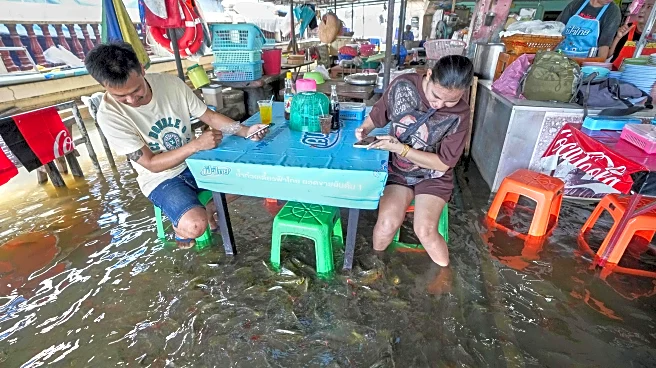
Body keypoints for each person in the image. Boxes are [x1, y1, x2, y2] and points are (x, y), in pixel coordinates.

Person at [84, 42, 268, 248]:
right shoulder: (109, 116)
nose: (132, 100)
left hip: (194, 163)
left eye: (137, 90)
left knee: (252, 179)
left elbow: (208, 116)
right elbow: (152, 164)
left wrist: (245, 131)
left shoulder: (171, 85)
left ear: (142, 70)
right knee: (195, 227)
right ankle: (183, 227)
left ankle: (207, 209)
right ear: (104, 85)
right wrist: (196, 145)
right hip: (161, 179)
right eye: (121, 96)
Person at [355, 55, 473, 267]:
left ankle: (445, 280)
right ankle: (377, 268)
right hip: (399, 171)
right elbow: (379, 113)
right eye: (436, 96)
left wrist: (401, 149)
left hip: (433, 175)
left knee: (424, 230)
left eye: (451, 100)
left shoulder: (460, 114)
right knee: (386, 223)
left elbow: (443, 164)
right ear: (428, 75)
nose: (440, 105)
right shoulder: (403, 86)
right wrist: (364, 129)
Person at [556, 0, 621, 59]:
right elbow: (555, 31)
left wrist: (577, 61)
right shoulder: (576, 4)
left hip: (587, 62)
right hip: (560, 56)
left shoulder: (613, 11)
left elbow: (604, 49)